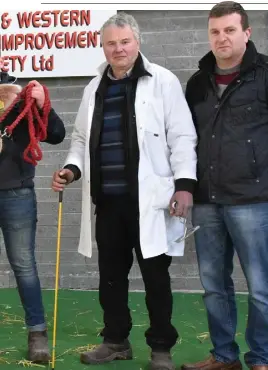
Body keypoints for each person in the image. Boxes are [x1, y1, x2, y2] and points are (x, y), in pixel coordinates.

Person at [51, 12, 197, 370]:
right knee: (111, 277)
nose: (118, 49)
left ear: (137, 42)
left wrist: (185, 185)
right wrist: (72, 169)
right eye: (111, 43)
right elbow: (82, 139)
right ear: (103, 47)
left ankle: (161, 347)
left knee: (155, 279)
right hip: (109, 202)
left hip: (149, 202)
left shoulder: (162, 81)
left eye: (124, 41)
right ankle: (115, 340)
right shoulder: (94, 87)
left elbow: (182, 136)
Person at [181, 2, 268, 370]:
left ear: (246, 32)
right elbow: (187, 138)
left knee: (261, 287)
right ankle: (224, 356)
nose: (221, 38)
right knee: (213, 286)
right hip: (207, 201)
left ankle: (261, 360)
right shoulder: (197, 83)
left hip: (254, 202)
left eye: (229, 30)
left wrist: (266, 179)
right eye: (215, 31)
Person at [0, 59, 66, 362]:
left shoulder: (24, 91)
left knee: (24, 265)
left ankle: (37, 332)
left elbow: (56, 134)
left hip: (17, 193)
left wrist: (43, 105)